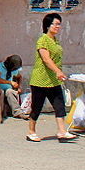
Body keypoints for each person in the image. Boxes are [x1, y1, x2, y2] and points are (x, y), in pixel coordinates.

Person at [27, 12, 71, 142]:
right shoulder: (43, 40)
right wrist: (58, 71)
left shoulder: (55, 41)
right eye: (55, 24)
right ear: (48, 25)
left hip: (54, 80)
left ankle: (62, 131)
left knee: (59, 105)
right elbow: (46, 59)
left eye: (59, 24)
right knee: (37, 107)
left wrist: (58, 73)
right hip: (40, 80)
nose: (58, 27)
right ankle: (31, 132)